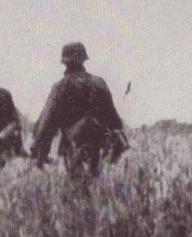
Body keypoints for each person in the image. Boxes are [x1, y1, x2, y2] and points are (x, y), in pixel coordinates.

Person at [30, 42, 127, 178]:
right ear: (83, 60)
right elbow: (114, 119)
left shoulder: (60, 86)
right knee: (95, 182)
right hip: (97, 144)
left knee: (76, 185)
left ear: (65, 63)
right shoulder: (99, 83)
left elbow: (47, 123)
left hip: (72, 145)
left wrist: (39, 152)